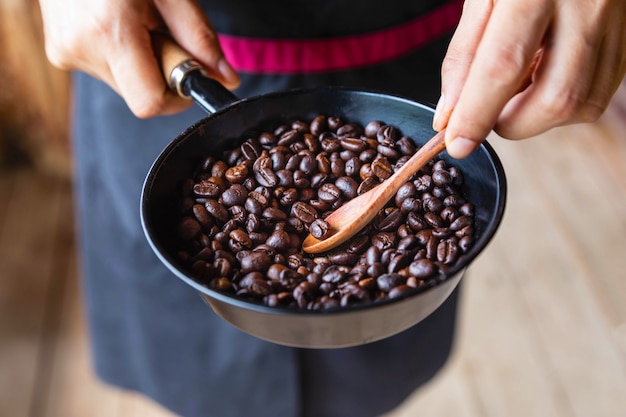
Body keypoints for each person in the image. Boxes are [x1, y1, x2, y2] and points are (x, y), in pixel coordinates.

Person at [37, 1, 625, 417]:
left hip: (421, 60)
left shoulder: (414, 210)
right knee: (194, 374)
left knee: (373, 377)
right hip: (161, 52)